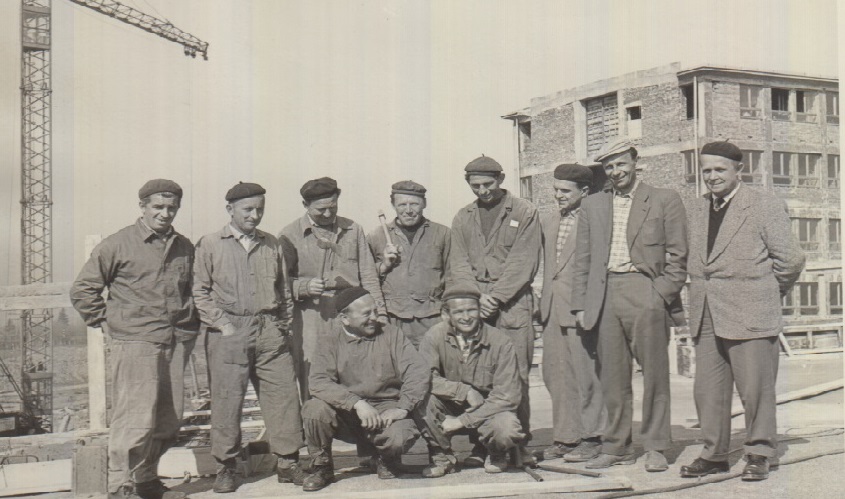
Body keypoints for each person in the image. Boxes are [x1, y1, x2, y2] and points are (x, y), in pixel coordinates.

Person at [679, 141, 805, 481]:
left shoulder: (763, 204)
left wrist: (767, 293)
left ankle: (760, 453)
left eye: (720, 169)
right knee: (708, 390)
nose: (712, 176)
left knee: (755, 390)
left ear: (739, 170)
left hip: (752, 312)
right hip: (706, 313)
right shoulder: (696, 207)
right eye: (706, 170)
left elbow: (791, 260)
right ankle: (714, 454)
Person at [70, 179, 198, 499]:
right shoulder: (117, 244)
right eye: (158, 207)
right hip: (136, 342)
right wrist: (104, 322)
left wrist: (190, 328)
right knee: (134, 419)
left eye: (171, 207)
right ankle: (121, 486)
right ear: (142, 207)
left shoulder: (184, 246)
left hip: (175, 342)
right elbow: (83, 290)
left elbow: (193, 291)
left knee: (168, 418)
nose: (165, 213)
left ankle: (146, 480)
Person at [571, 139, 688, 472]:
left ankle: (656, 447)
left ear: (636, 162)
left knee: (655, 375)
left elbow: (679, 255)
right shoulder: (592, 204)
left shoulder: (664, 199)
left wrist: (659, 294)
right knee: (611, 377)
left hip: (645, 290)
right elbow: (583, 259)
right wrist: (581, 304)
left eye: (621, 163)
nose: (616, 171)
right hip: (605, 294)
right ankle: (616, 446)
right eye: (609, 166)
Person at [193, 182, 303, 493]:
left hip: (270, 330)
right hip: (228, 331)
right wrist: (224, 326)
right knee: (227, 401)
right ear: (230, 209)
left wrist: (282, 327)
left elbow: (284, 291)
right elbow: (199, 292)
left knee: (283, 396)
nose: (254, 215)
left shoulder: (272, 244)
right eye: (248, 210)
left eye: (259, 209)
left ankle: (288, 462)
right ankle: (226, 467)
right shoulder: (210, 244)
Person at [448, 155, 541, 466]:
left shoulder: (525, 211)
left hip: (513, 306)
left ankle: (518, 444)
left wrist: (496, 297)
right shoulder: (463, 217)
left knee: (516, 378)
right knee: (477, 376)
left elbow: (524, 261)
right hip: (475, 308)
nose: (483, 191)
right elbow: (459, 263)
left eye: (488, 184)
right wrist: (476, 299)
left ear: (500, 179)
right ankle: (483, 444)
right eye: (475, 186)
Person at [300, 287, 430, 492]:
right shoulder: (329, 340)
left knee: (401, 434)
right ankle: (321, 466)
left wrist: (402, 407)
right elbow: (318, 381)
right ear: (345, 318)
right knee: (314, 409)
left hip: (385, 412)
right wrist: (356, 403)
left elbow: (417, 371)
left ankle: (385, 458)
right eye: (366, 314)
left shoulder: (392, 334)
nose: (374, 318)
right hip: (347, 413)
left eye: (375, 311)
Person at [278, 177, 386, 402]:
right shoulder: (289, 235)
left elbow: (369, 276)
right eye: (321, 210)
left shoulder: (353, 229)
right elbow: (280, 283)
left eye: (333, 207)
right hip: (311, 317)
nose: (328, 214)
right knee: (313, 373)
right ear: (305, 205)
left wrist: (381, 313)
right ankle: (314, 420)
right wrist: (304, 286)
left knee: (354, 370)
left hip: (351, 313)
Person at [416, 284, 524, 477]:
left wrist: (462, 421)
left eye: (471, 310)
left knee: (507, 427)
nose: (466, 317)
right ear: (446, 314)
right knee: (423, 402)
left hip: (487, 408)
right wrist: (463, 391)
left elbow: (508, 396)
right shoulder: (434, 336)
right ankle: (442, 457)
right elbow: (423, 379)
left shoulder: (501, 341)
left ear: (480, 310)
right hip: (450, 403)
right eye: (458, 312)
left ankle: (496, 453)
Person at [538, 164, 607, 462]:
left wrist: (589, 307)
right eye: (555, 190)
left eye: (565, 191)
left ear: (585, 191)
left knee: (586, 376)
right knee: (557, 376)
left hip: (581, 309)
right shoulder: (549, 220)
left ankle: (593, 437)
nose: (558, 196)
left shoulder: (596, 219)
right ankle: (566, 438)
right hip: (552, 309)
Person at [367, 180, 451, 348]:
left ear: (424, 204)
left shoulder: (443, 234)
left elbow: (452, 275)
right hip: (391, 319)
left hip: (433, 318)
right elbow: (366, 277)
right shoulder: (375, 236)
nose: (408, 210)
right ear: (393, 205)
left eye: (414, 204)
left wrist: (448, 312)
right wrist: (384, 265)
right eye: (402, 204)